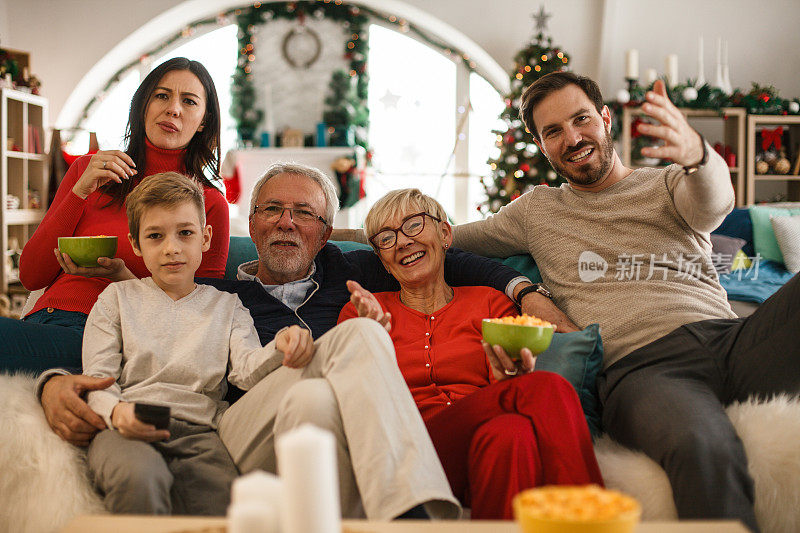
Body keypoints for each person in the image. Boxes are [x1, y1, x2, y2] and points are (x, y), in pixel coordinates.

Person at [40, 162, 530, 520]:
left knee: (343, 355)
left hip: (321, 421)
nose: (286, 221)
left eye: (304, 213)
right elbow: (100, 359)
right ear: (249, 226)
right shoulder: (223, 293)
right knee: (334, 362)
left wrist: (521, 288)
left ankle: (392, 513)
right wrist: (51, 383)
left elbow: (443, 258)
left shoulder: (354, 267)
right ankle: (412, 517)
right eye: (272, 209)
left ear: (326, 234)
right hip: (237, 428)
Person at [450, 71, 800, 532]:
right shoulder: (537, 211)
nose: (572, 138)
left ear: (606, 118)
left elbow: (714, 204)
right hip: (643, 369)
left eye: (581, 120)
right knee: (702, 445)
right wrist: (327, 229)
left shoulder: (670, 183)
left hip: (730, 340)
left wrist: (696, 155)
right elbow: (442, 240)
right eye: (553, 131)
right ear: (540, 144)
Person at [336, 188, 603, 520]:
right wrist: (367, 336)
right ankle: (591, 519)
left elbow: (504, 391)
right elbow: (356, 404)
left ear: (445, 233)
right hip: (408, 452)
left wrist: (509, 380)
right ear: (382, 260)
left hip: (475, 444)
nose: (403, 242)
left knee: (510, 434)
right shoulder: (362, 312)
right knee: (551, 388)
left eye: (414, 225)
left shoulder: (489, 302)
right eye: (386, 238)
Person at [1, 57, 229, 379]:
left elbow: (197, 314)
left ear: (204, 121)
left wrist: (122, 276)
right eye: (162, 96)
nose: (173, 109)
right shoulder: (89, 170)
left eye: (189, 101)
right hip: (45, 319)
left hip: (109, 335)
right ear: (143, 106)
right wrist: (79, 191)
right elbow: (31, 276)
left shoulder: (207, 203)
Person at [84, 172, 272, 515]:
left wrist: (282, 347)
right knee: (139, 477)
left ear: (205, 237)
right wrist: (115, 411)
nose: (172, 248)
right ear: (137, 244)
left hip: (199, 434)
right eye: (155, 236)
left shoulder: (228, 307)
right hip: (127, 424)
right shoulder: (117, 298)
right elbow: (96, 377)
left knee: (223, 503)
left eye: (185, 233)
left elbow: (247, 371)